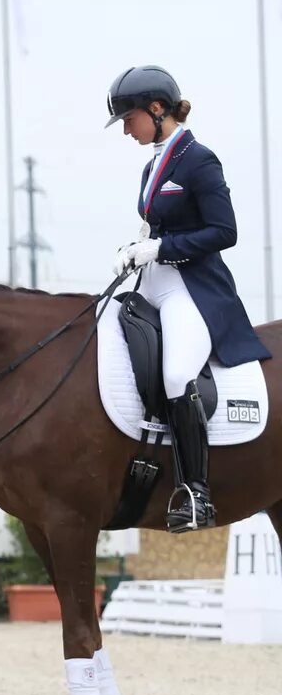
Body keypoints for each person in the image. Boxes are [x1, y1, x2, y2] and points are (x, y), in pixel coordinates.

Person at [105, 65, 271, 532]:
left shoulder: (200, 160)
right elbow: (157, 222)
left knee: (178, 373)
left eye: (129, 118)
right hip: (152, 281)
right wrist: (136, 250)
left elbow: (225, 231)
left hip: (190, 287)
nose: (126, 130)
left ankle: (196, 493)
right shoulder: (152, 163)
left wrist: (161, 248)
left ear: (157, 110)